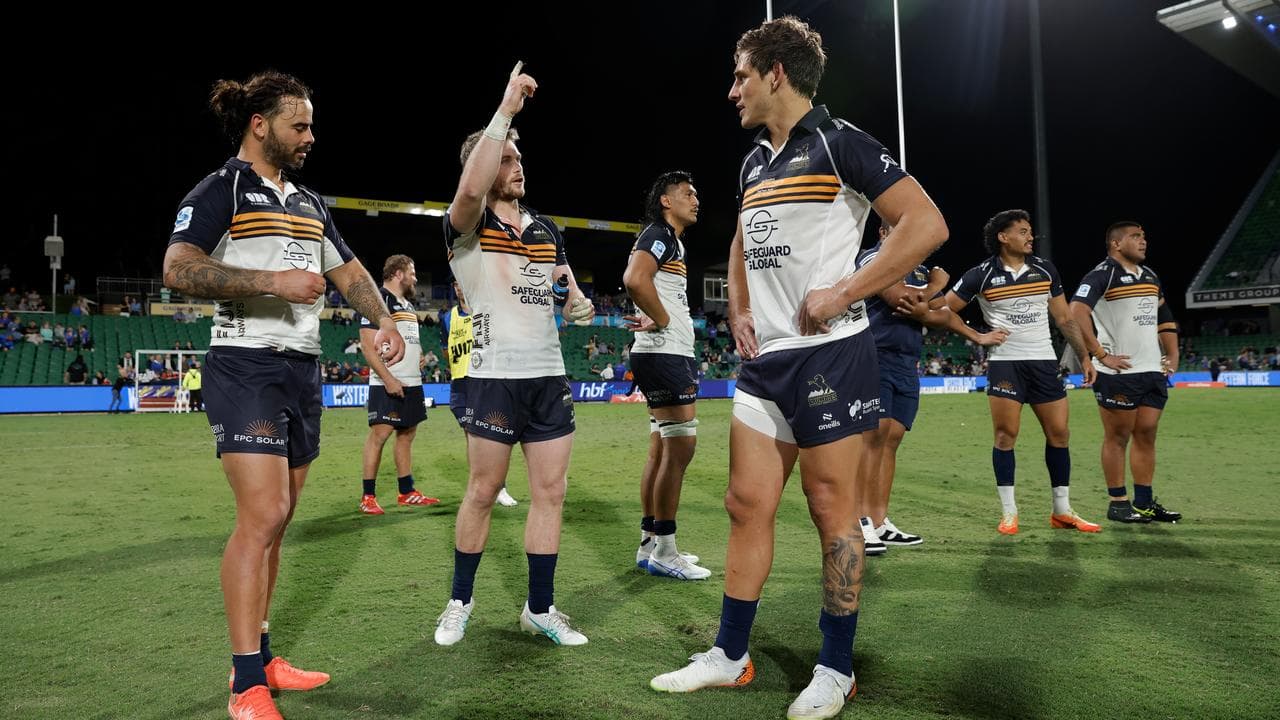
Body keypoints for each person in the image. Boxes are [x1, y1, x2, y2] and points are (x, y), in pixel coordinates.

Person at [650, 18, 949, 720]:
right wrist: (740, 307)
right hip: (767, 363)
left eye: (740, 75)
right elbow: (741, 238)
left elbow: (926, 223)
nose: (733, 91)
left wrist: (847, 291)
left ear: (775, 74)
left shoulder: (840, 143)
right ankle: (729, 655)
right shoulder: (756, 161)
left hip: (833, 357)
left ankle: (836, 668)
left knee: (830, 514)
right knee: (745, 505)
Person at [161, 70, 405, 720]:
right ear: (259, 124)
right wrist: (271, 279)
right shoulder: (222, 189)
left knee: (282, 518)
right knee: (262, 516)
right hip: (245, 365)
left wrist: (382, 320)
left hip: (302, 370)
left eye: (312, 124)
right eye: (300, 125)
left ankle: (265, 658)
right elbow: (178, 266)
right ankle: (245, 686)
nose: (310, 136)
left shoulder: (309, 200)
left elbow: (348, 271)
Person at [434, 62, 595, 649]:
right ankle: (460, 601)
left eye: (519, 156)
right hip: (494, 377)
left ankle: (540, 608)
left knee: (551, 493)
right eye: (506, 158)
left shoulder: (547, 228)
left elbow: (567, 295)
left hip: (547, 375)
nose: (517, 165)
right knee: (482, 490)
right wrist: (503, 112)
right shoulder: (465, 226)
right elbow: (471, 190)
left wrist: (575, 302)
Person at [853, 223, 1009, 556]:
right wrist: (937, 284)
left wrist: (976, 336)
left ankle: (880, 521)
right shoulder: (873, 258)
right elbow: (901, 299)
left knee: (892, 439)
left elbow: (939, 314)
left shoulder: (918, 269)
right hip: (873, 356)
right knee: (873, 436)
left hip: (906, 362)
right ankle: (859, 520)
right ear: (883, 232)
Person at [944, 209, 1099, 536]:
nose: (1031, 237)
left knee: (1059, 434)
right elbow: (943, 310)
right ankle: (1009, 512)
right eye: (1024, 231)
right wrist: (977, 335)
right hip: (1006, 364)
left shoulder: (1045, 269)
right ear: (1003, 236)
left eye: (1031, 232)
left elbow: (1065, 319)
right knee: (1005, 436)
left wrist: (1084, 357)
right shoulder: (981, 274)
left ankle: (1061, 510)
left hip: (1044, 362)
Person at [622, 171, 709, 580]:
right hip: (665, 353)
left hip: (660, 353)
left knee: (660, 452)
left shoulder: (667, 239)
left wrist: (655, 317)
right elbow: (634, 279)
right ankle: (665, 551)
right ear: (666, 202)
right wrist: (660, 318)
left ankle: (650, 544)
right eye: (687, 194)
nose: (696, 199)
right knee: (679, 452)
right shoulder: (660, 234)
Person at [1069, 222, 1182, 523]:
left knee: (1146, 435)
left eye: (1144, 236)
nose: (1143, 241)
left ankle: (1144, 502)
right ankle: (1118, 503)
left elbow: (1164, 316)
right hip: (1118, 373)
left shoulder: (1150, 276)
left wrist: (1172, 354)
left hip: (1151, 371)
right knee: (1117, 437)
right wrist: (1100, 354)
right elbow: (1076, 311)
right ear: (1116, 244)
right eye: (1136, 237)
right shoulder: (1101, 275)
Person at [355, 254, 439, 514]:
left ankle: (407, 492)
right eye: (412, 272)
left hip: (412, 381)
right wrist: (389, 379)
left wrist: (419, 354)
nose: (415, 277)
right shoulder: (378, 300)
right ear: (399, 274)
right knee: (380, 435)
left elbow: (405, 337)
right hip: (386, 382)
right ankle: (368, 496)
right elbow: (368, 347)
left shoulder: (408, 305)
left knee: (407, 435)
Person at [443, 278, 518, 508]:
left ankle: (500, 488)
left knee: (493, 435)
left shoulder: (484, 312)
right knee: (473, 437)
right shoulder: (447, 317)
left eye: (462, 283)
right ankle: (481, 485)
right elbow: (445, 349)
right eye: (455, 283)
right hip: (460, 385)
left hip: (484, 381)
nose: (459, 287)